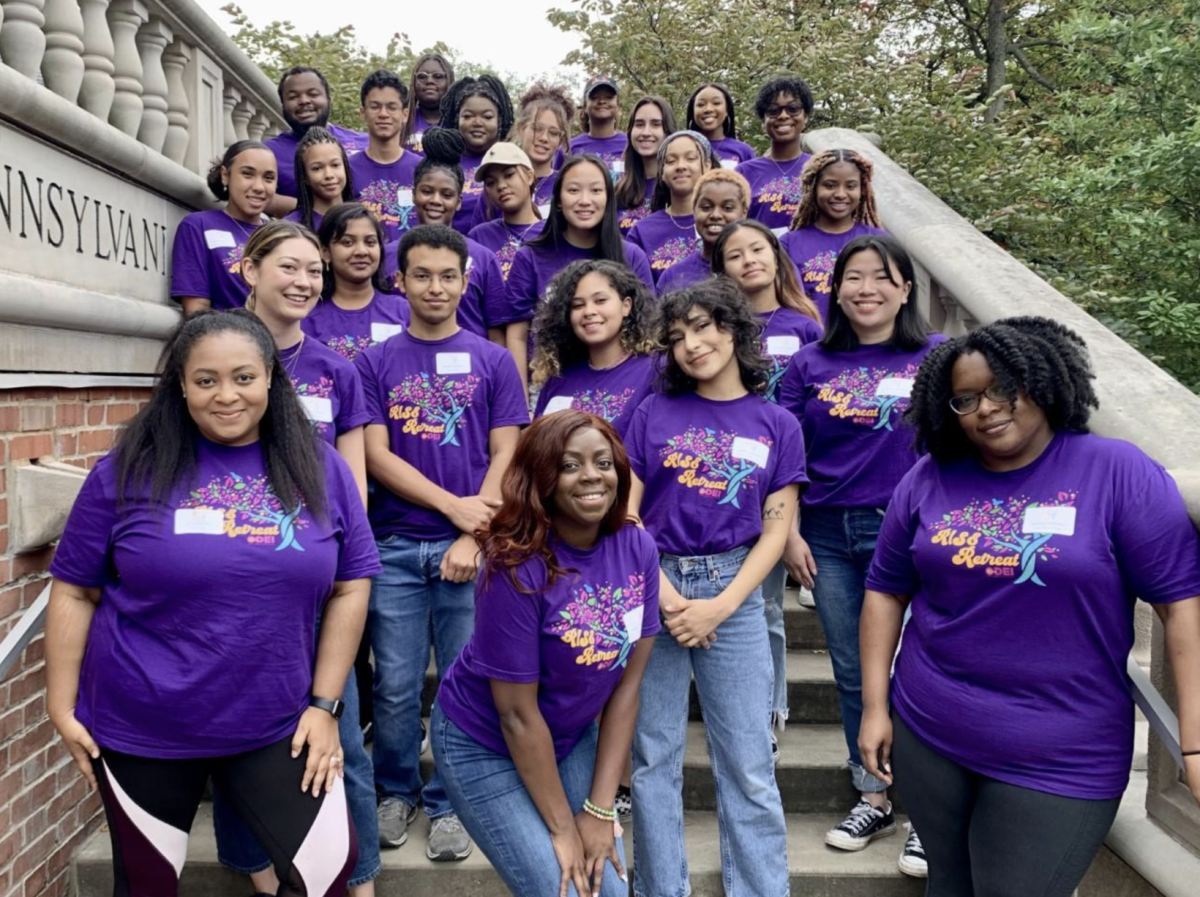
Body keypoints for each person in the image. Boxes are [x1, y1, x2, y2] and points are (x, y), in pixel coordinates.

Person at [859, 316, 1200, 896]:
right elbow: (886, 590)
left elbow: (1181, 607)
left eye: (1001, 388)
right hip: (930, 728)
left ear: (1041, 380)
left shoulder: (1118, 472)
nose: (987, 408)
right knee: (948, 886)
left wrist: (1192, 739)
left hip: (1060, 752)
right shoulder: (928, 478)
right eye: (965, 398)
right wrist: (874, 705)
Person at [47, 309, 380, 897]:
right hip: (144, 722)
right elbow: (74, 587)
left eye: (243, 377)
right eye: (206, 380)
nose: (226, 396)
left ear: (271, 379)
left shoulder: (319, 466)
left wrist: (325, 705)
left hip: (278, 719)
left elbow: (352, 583)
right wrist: (60, 703)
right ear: (181, 384)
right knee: (147, 885)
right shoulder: (126, 471)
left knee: (327, 869)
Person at [434, 410, 660, 897]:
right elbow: (516, 715)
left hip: (567, 733)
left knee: (608, 889)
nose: (592, 476)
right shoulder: (514, 566)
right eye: (570, 465)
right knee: (564, 885)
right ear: (542, 478)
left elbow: (627, 690)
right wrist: (563, 829)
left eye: (603, 462)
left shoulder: (637, 547)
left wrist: (599, 812)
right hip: (483, 741)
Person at [356, 224, 529, 860]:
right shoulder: (374, 361)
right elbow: (374, 454)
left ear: (466, 280)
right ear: (399, 282)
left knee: (463, 681)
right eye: (421, 275)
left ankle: (452, 802)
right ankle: (395, 790)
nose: (435, 287)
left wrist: (471, 532)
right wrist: (452, 508)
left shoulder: (493, 361)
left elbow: (507, 451)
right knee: (397, 684)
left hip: (474, 551)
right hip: (397, 546)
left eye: (447, 275)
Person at [624, 277, 801, 897]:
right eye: (677, 337)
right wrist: (668, 598)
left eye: (704, 327)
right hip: (656, 585)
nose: (692, 344)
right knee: (652, 761)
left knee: (749, 765)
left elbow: (776, 533)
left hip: (737, 590)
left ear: (732, 329)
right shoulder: (652, 413)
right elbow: (626, 515)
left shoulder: (777, 423)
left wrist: (722, 605)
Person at [777, 235, 943, 874]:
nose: (866, 288)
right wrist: (788, 531)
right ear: (835, 288)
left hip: (916, 534)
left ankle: (929, 813)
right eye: (854, 276)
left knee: (921, 672)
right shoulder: (810, 364)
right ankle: (873, 793)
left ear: (905, 289)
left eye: (882, 277)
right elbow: (785, 456)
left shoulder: (938, 356)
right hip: (828, 535)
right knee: (856, 671)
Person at [239, 220, 370, 498]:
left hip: (316, 531)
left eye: (314, 271)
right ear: (251, 270)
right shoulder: (213, 357)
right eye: (288, 267)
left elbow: (353, 488)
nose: (303, 282)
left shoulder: (338, 370)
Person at [501, 154, 655, 390]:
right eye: (573, 191)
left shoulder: (631, 256)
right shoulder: (531, 256)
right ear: (559, 200)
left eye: (595, 191)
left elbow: (647, 329)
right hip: (549, 386)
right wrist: (520, 404)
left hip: (621, 386)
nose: (585, 201)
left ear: (608, 198)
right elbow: (517, 335)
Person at [378, 128, 509, 343]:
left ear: (458, 202)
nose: (436, 201)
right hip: (404, 368)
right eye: (427, 191)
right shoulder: (387, 257)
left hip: (470, 369)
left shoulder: (483, 259)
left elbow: (496, 331)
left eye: (446, 194)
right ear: (414, 195)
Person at [531, 260, 658, 438]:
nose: (589, 311)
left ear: (626, 306)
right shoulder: (558, 379)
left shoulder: (656, 371)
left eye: (600, 300)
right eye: (577, 305)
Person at [171, 140, 275, 316]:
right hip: (229, 339)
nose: (259, 187)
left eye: (268, 178)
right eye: (248, 174)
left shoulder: (281, 235)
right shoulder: (198, 226)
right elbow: (196, 311)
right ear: (225, 175)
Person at [781, 148, 886, 320]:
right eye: (830, 185)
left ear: (863, 190)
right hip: (813, 340)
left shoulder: (879, 240)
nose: (840, 194)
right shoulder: (788, 244)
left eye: (851, 186)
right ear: (813, 188)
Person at [303, 202, 411, 361]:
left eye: (370, 242)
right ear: (325, 252)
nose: (361, 251)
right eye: (347, 242)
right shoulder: (307, 314)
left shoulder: (403, 310)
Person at [265, 65, 368, 215]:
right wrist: (312, 208)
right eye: (293, 97)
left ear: (328, 98)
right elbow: (252, 194)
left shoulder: (365, 142)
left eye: (313, 94)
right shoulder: (269, 153)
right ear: (283, 105)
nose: (304, 101)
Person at [627, 130, 712, 285]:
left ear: (707, 165)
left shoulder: (721, 222)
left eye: (690, 158)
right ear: (662, 172)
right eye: (671, 161)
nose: (680, 166)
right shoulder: (642, 232)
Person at [736, 76, 815, 234]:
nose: (783, 116)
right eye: (773, 110)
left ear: (805, 116)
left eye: (793, 108)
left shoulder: (819, 169)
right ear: (763, 121)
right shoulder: (744, 173)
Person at [349, 69, 419, 244]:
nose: (383, 114)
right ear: (362, 113)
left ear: (405, 114)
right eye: (375, 106)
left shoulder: (422, 170)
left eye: (391, 107)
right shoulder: (346, 170)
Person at [439, 75, 516, 232]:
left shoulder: (513, 161)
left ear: (499, 120)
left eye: (487, 116)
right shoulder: (442, 163)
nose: (477, 123)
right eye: (468, 116)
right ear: (456, 119)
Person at [656, 168, 752, 293]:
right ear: (694, 210)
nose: (715, 215)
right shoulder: (674, 275)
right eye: (706, 207)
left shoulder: (753, 269)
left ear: (743, 212)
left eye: (727, 208)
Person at [468, 142, 546, 282]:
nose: (501, 186)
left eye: (509, 175)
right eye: (491, 183)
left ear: (529, 176)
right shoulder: (479, 237)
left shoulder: (551, 233)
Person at [614, 96, 676, 233]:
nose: (646, 133)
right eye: (639, 124)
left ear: (668, 132)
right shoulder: (617, 191)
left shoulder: (680, 189)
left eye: (656, 124)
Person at [512, 83, 575, 215]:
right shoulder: (502, 181)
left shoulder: (569, 186)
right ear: (521, 129)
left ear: (560, 140)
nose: (544, 138)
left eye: (553, 133)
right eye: (537, 128)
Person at [283, 125, 355, 234]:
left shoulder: (361, 219)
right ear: (305, 177)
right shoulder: (292, 228)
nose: (329, 175)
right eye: (317, 168)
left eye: (335, 165)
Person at [686, 82, 755, 168]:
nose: (708, 109)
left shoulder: (743, 151)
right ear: (692, 112)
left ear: (727, 110)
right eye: (701, 104)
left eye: (716, 103)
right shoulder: (683, 148)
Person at [570, 77, 627, 177]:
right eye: (595, 97)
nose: (602, 101)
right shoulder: (570, 148)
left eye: (609, 97)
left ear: (618, 106)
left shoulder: (630, 145)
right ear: (584, 107)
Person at [402, 52, 454, 154]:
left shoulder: (461, 122)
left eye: (438, 76)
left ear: (450, 81)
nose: (429, 81)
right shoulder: (402, 121)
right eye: (422, 76)